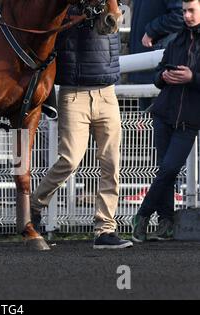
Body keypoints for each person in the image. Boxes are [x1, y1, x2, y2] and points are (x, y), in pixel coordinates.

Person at [30, 6, 133, 249]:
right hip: (74, 96)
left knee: (111, 164)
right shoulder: (64, 10)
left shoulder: (106, 9)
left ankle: (104, 229)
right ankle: (34, 206)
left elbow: (111, 20)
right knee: (70, 160)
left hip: (107, 95)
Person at [132, 0, 200, 242]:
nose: (187, 16)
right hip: (164, 114)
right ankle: (166, 222)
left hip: (189, 120)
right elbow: (158, 75)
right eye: (184, 11)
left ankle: (142, 215)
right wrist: (163, 75)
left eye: (191, 11)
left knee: (168, 169)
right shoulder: (178, 39)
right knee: (165, 172)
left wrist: (192, 77)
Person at [129, 0, 184, 110]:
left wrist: (153, 30)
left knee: (158, 121)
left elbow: (181, 14)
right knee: (145, 122)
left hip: (160, 70)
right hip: (144, 65)